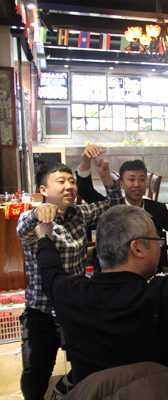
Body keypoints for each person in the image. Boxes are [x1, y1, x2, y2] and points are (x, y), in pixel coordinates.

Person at [35, 205, 168, 386]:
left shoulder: (68, 293)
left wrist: (45, 238)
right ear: (138, 248)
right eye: (158, 241)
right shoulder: (163, 295)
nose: (160, 247)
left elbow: (49, 270)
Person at [17, 161, 123, 400]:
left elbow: (115, 206)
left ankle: (66, 387)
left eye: (71, 181)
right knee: (35, 373)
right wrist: (37, 213)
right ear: (43, 190)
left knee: (97, 359)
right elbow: (22, 228)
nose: (69, 186)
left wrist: (106, 177)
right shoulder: (35, 219)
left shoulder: (79, 214)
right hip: (42, 310)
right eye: (61, 181)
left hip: (75, 305)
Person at [76, 145, 168, 269]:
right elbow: (86, 192)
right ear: (121, 184)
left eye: (141, 179)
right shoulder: (112, 206)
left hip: (150, 272)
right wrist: (85, 161)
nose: (137, 184)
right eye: (131, 179)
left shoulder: (157, 209)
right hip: (117, 272)